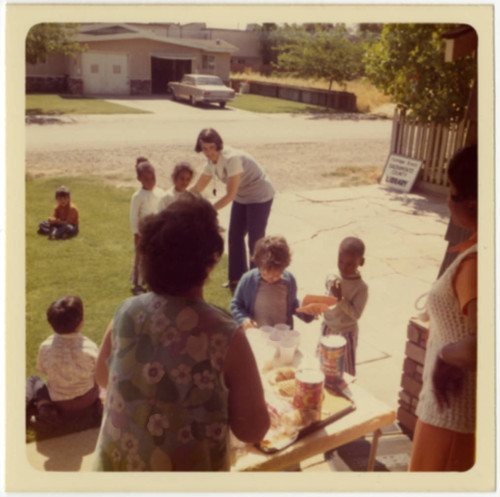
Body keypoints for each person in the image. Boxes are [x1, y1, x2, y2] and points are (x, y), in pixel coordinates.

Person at [93, 193, 270, 471]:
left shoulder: (125, 312)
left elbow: (102, 376)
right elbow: (254, 430)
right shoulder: (226, 336)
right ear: (210, 262)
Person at [409, 145, 477, 472]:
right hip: (452, 411)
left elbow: (482, 348)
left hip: (452, 416)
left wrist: (446, 355)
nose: (448, 202)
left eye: (451, 193)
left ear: (472, 202)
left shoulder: (476, 263)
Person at [190, 128, 275, 290]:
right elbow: (198, 187)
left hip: (260, 196)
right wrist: (179, 196)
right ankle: (236, 280)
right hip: (242, 196)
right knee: (234, 236)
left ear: (218, 145)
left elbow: (229, 195)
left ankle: (257, 282)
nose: (208, 152)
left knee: (255, 240)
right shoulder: (210, 162)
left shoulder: (232, 158)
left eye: (211, 147)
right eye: (204, 148)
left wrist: (208, 211)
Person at [26, 295, 102, 426]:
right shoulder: (90, 346)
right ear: (81, 322)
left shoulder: (46, 346)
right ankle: (98, 405)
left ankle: (44, 407)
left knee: (35, 380)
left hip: (60, 403)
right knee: (100, 380)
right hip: (88, 399)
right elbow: (99, 372)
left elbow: (42, 369)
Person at [230, 235, 314, 331]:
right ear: (258, 265)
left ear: (284, 267)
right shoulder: (248, 279)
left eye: (276, 275)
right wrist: (244, 319)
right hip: (257, 334)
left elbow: (292, 303)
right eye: (265, 274)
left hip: (281, 335)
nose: (270, 279)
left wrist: (307, 310)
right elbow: (235, 305)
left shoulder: (289, 281)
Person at [320, 237, 368, 376]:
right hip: (327, 328)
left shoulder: (361, 287)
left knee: (344, 371)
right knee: (323, 366)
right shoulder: (331, 275)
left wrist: (340, 299)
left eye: (350, 264)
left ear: (361, 262)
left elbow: (356, 314)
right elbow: (327, 296)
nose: (344, 267)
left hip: (345, 333)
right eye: (340, 261)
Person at [129, 158, 164, 295]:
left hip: (157, 230)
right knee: (141, 257)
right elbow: (133, 216)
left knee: (155, 257)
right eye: (146, 179)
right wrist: (136, 233)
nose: (150, 181)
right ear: (139, 179)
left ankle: (152, 282)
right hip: (143, 232)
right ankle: (138, 284)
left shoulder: (160, 192)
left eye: (152, 178)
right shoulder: (138, 196)